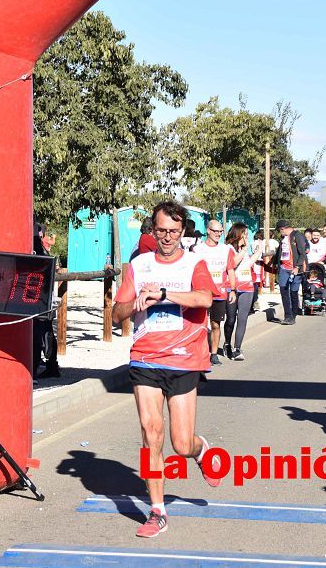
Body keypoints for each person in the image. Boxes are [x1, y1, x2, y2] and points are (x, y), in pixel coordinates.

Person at [111, 200, 221, 538]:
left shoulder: (194, 262)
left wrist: (165, 294)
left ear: (183, 231)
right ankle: (157, 511)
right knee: (150, 434)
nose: (168, 237)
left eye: (174, 231)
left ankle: (199, 449)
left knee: (179, 443)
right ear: (152, 230)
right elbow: (116, 315)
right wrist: (135, 304)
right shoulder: (139, 265)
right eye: (161, 231)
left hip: (185, 358)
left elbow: (205, 299)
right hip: (145, 357)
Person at [192, 220, 236, 365]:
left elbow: (230, 271)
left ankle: (214, 353)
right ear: (208, 231)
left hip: (220, 293)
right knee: (200, 324)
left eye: (220, 231)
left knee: (216, 324)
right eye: (215, 231)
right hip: (202, 293)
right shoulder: (197, 250)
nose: (218, 234)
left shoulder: (225, 250)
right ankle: (200, 352)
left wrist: (233, 290)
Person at [223, 223, 256, 361]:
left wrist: (258, 253)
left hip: (247, 287)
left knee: (243, 318)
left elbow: (247, 264)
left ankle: (237, 349)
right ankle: (227, 344)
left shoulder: (244, 249)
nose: (247, 237)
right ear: (238, 234)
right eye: (245, 234)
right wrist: (244, 250)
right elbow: (233, 263)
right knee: (231, 320)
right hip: (233, 288)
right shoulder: (229, 248)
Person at [33, 223, 60, 379]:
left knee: (40, 334)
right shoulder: (41, 251)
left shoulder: (37, 250)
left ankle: (42, 367)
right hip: (44, 298)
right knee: (46, 333)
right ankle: (50, 365)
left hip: (39, 300)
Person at [271, 220, 307, 325]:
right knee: (284, 291)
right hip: (284, 269)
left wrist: (297, 267)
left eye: (279, 230)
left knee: (293, 292)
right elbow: (280, 252)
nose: (279, 233)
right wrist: (274, 263)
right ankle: (288, 316)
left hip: (295, 270)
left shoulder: (298, 236)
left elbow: (302, 254)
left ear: (283, 229)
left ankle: (294, 314)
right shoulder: (283, 238)